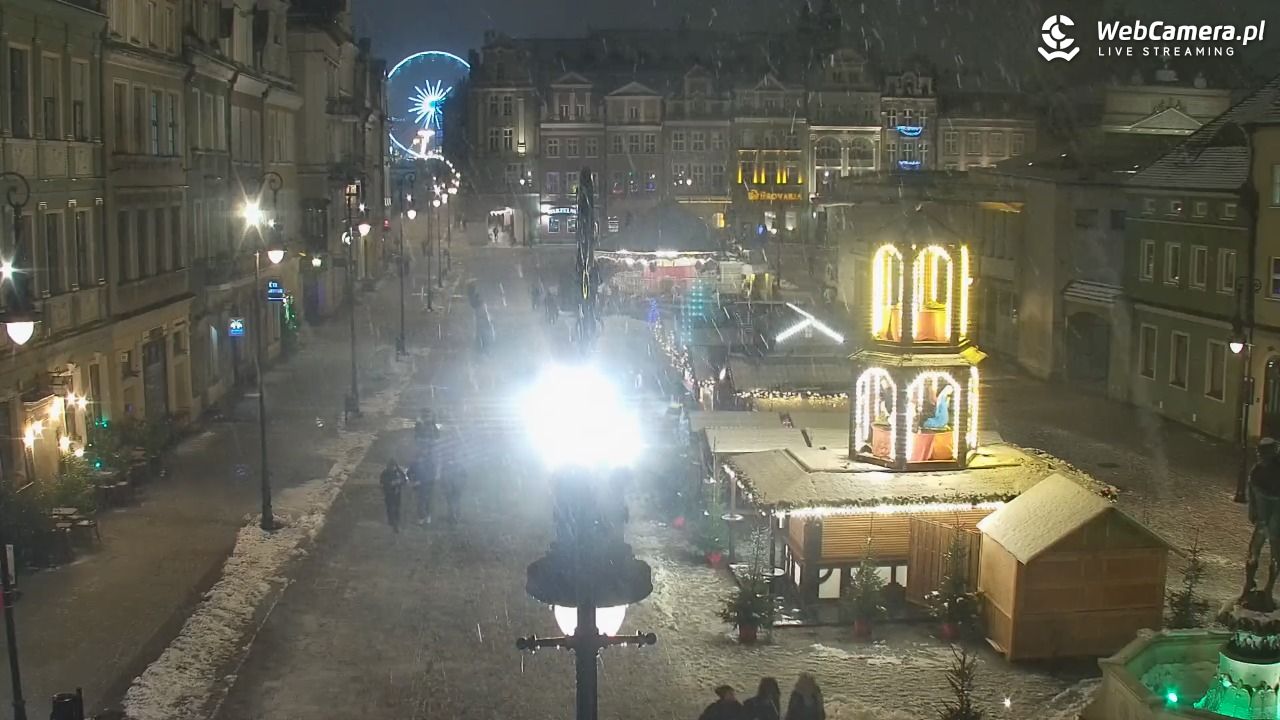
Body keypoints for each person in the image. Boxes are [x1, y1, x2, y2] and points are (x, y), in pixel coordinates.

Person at [1245, 437, 1280, 598]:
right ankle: (1249, 583)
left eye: (1263, 453)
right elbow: (1252, 491)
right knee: (1253, 551)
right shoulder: (1257, 471)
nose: (1260, 456)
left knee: (1275, 552)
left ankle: (1269, 589)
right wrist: (1252, 510)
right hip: (1263, 516)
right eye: (1259, 453)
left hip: (1276, 516)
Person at [438, 426, 464, 525]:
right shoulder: (453, 463)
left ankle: (454, 517)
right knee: (452, 501)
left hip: (454, 486)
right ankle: (453, 517)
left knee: (453, 501)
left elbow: (463, 475)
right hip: (452, 486)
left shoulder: (456, 463)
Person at [379, 459, 406, 533]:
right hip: (389, 493)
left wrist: (399, 482)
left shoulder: (399, 472)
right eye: (392, 466)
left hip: (397, 493)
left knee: (397, 507)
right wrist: (390, 483)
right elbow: (382, 482)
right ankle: (391, 521)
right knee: (390, 507)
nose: (393, 468)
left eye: (394, 466)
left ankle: (396, 521)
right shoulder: (385, 472)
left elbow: (404, 480)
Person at [407, 450, 434, 524]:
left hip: (427, 487)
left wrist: (420, 482)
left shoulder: (428, 465)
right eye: (417, 458)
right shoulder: (414, 464)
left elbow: (430, 476)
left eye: (420, 458)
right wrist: (411, 480)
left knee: (425, 502)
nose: (419, 460)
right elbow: (408, 472)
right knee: (420, 503)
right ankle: (422, 517)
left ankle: (426, 517)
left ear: (423, 458)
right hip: (417, 487)